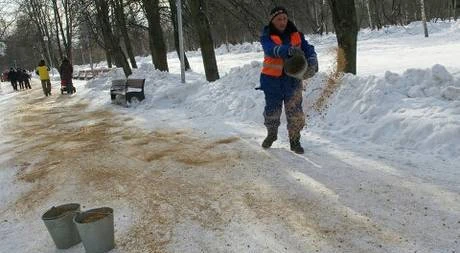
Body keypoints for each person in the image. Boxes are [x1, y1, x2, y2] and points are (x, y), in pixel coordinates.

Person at [259, 6, 318, 154]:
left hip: (292, 80)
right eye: (279, 19)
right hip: (272, 81)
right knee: (272, 111)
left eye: (285, 18)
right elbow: (270, 49)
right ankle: (272, 134)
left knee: (295, 111)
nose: (283, 21)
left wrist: (312, 57)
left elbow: (307, 48)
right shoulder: (266, 36)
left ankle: (295, 140)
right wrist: (288, 50)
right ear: (272, 21)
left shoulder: (296, 34)